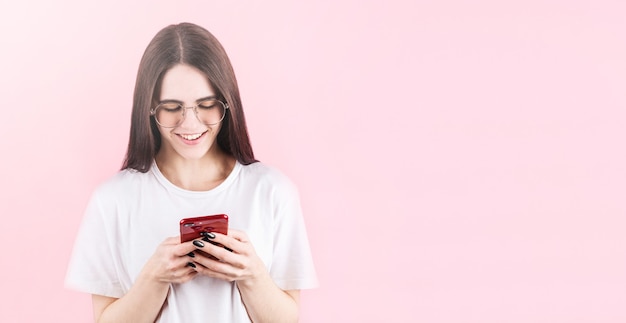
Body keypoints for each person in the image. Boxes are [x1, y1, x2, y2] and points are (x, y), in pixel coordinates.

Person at [65, 22, 318, 323]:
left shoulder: (273, 191)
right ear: (149, 107)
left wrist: (252, 275)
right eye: (172, 107)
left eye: (206, 104)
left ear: (227, 103)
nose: (190, 124)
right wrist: (155, 278)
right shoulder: (113, 200)